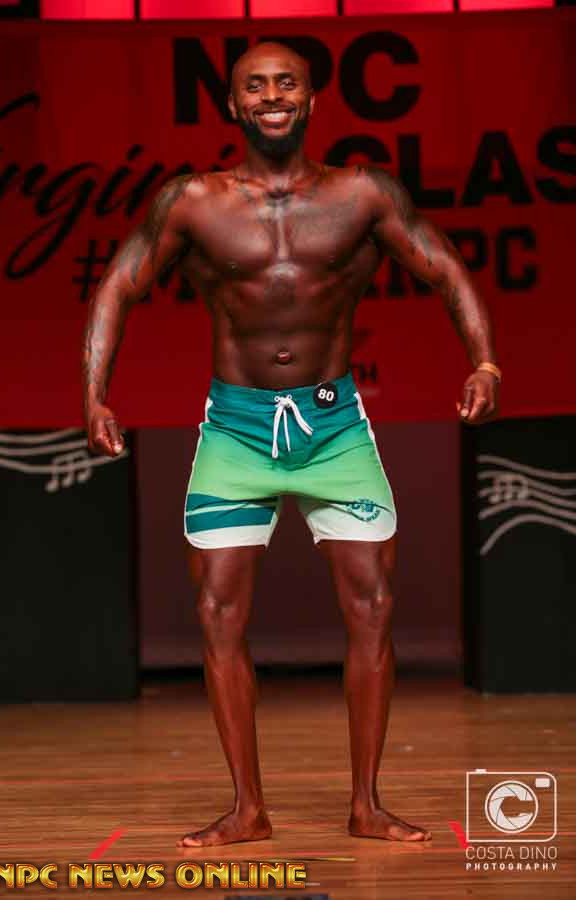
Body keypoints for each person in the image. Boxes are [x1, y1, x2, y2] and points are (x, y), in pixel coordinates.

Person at [82, 41, 500, 847]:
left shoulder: (362, 194)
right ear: (232, 105)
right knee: (218, 612)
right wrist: (93, 395)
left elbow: (446, 270)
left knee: (373, 603)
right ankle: (248, 808)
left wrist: (484, 362)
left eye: (286, 84)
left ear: (311, 100)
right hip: (235, 430)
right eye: (255, 86)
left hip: (333, 429)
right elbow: (118, 285)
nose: (271, 96)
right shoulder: (192, 202)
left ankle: (366, 805)